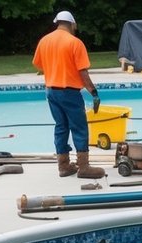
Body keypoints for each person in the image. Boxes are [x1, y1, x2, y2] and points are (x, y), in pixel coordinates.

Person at [32, 11, 105, 179]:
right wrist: (94, 93)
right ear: (72, 25)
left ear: (58, 23)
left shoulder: (44, 41)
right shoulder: (75, 43)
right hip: (69, 93)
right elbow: (83, 73)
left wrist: (55, 69)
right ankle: (84, 167)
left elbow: (38, 65)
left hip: (51, 91)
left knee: (61, 127)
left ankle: (63, 167)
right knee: (79, 127)